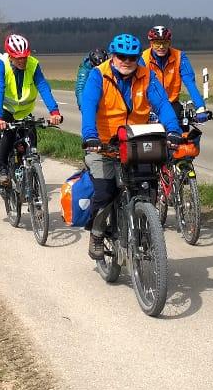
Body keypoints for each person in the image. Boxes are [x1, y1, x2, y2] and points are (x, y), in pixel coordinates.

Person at [77, 34, 184, 259]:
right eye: (122, 57)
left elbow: (163, 103)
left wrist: (173, 130)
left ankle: (145, 228)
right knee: (105, 193)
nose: (127, 61)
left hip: (135, 141)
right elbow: (88, 104)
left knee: (146, 187)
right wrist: (90, 136)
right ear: (113, 56)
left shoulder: (147, 75)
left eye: (132, 57)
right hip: (103, 144)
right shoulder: (99, 75)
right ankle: (96, 233)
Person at [0, 34, 64, 184]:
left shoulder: (33, 64)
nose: (22, 60)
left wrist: (54, 111)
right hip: (4, 108)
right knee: (9, 135)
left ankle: (32, 167)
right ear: (10, 56)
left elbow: (43, 86)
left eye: (25, 56)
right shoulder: (1, 64)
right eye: (18, 58)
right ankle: (1, 167)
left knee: (31, 134)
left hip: (23, 110)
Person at [141, 25, 210, 131]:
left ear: (170, 43)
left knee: (182, 136)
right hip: (149, 107)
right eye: (157, 43)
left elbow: (190, 83)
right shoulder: (143, 58)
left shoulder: (179, 56)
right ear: (151, 43)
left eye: (165, 43)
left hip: (172, 104)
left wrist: (200, 107)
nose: (161, 47)